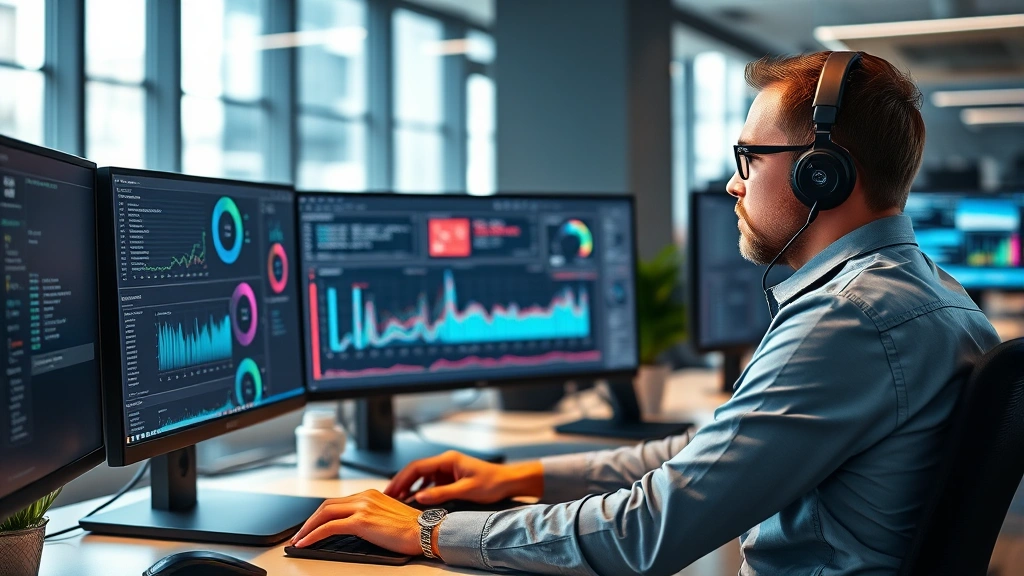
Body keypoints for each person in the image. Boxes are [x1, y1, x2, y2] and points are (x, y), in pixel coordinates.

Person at [290, 51, 1001, 575]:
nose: (733, 181)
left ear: (824, 172)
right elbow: (708, 457)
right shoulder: (925, 293)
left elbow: (648, 534)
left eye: (750, 156)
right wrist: (519, 477)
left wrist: (429, 531)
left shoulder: (851, 319)